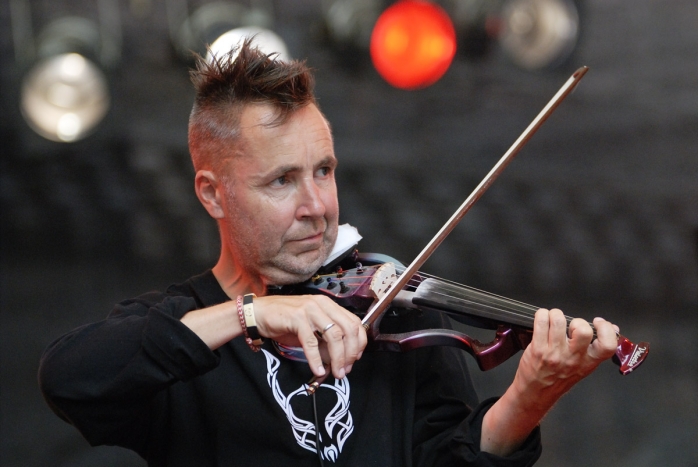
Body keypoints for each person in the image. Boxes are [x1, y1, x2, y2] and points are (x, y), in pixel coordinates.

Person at [39, 40, 618, 467]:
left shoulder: (395, 306)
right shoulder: (179, 329)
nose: (317, 206)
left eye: (324, 170)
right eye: (282, 181)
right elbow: (69, 379)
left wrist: (527, 399)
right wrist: (250, 314)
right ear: (213, 194)